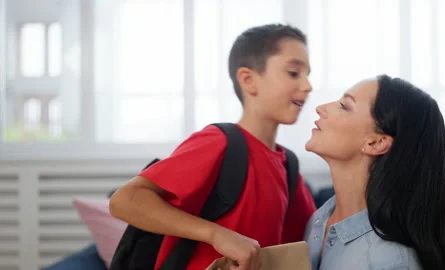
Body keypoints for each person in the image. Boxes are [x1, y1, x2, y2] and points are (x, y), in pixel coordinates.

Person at [109, 24, 316, 270]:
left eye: (307, 74)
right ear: (248, 80)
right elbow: (124, 200)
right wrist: (217, 234)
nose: (307, 86)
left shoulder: (288, 167)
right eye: (293, 73)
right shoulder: (219, 142)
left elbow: (314, 239)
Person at [303, 75, 445, 270]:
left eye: (344, 106)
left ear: (376, 143)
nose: (321, 108)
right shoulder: (320, 220)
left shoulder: (389, 262)